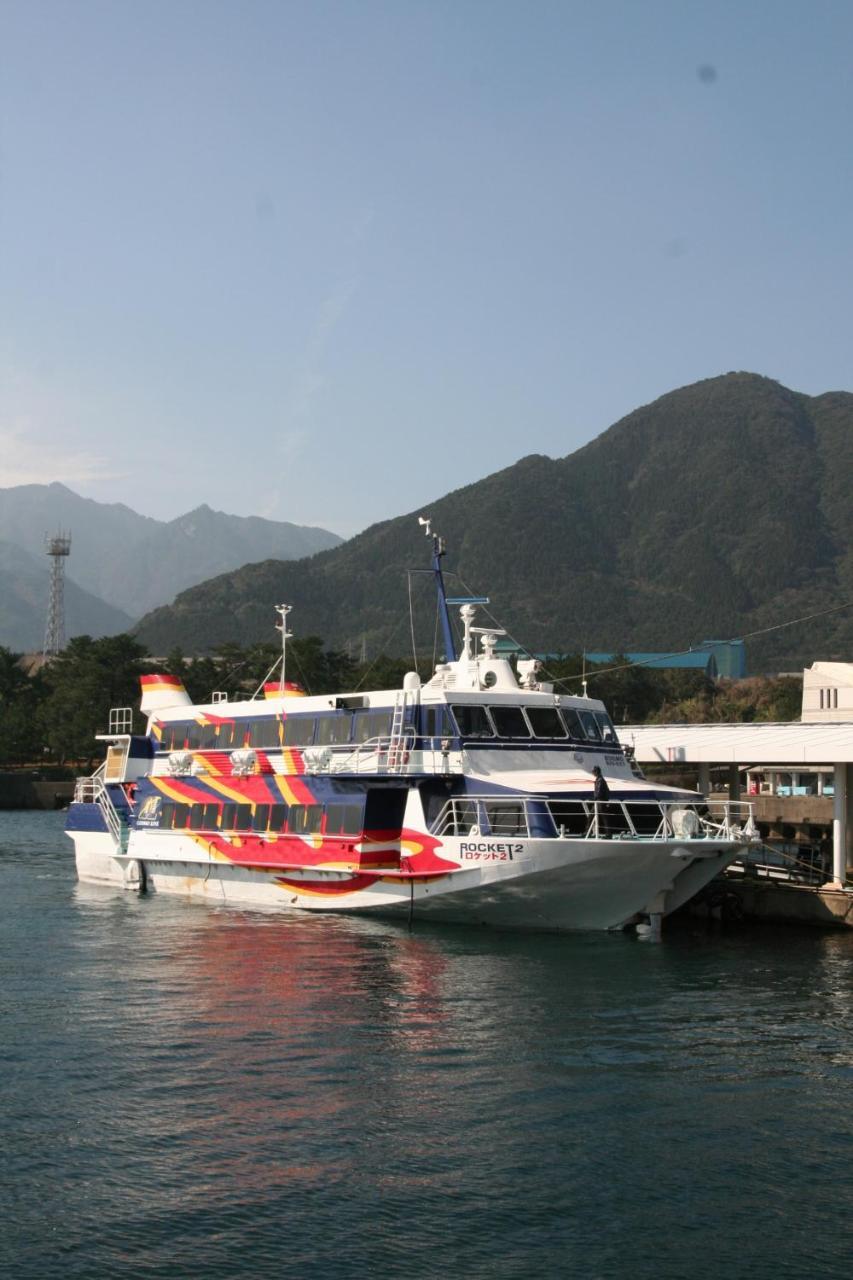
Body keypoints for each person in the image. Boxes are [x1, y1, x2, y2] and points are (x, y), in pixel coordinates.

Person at [592, 766, 612, 836]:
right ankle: (587, 832)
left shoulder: (600, 780)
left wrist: (595, 798)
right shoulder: (599, 779)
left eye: (593, 771)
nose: (593, 773)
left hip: (600, 801)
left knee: (604, 817)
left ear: (596, 772)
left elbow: (599, 791)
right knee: (591, 815)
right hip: (599, 801)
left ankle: (608, 834)